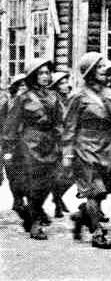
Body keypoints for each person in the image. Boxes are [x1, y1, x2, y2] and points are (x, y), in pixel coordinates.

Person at [62, 53, 111, 249]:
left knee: (105, 189)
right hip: (85, 146)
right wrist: (67, 153)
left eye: (105, 67)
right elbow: (69, 127)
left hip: (108, 147)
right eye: (100, 67)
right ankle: (97, 232)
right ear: (90, 71)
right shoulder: (77, 96)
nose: (105, 70)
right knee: (93, 191)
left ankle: (82, 216)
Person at [3, 59, 63, 240]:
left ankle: (33, 211)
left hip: (50, 143)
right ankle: (35, 222)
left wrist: (61, 139)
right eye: (41, 73)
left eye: (47, 73)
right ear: (33, 76)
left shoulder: (54, 96)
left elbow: (61, 121)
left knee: (49, 182)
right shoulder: (23, 98)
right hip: (29, 143)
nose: (45, 76)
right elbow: (11, 125)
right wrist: (8, 148)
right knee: (34, 183)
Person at [0, 74, 30, 231]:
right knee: (14, 176)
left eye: (26, 85)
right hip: (10, 145)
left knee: (25, 177)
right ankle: (19, 202)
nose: (24, 89)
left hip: (26, 146)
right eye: (21, 86)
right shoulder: (7, 102)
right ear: (15, 87)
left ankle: (20, 202)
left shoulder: (30, 102)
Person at [49, 71, 73, 218]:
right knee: (62, 173)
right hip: (57, 142)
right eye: (62, 83)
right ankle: (57, 201)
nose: (67, 85)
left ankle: (57, 197)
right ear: (56, 86)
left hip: (68, 141)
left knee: (70, 175)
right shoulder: (54, 101)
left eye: (67, 82)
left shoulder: (68, 100)